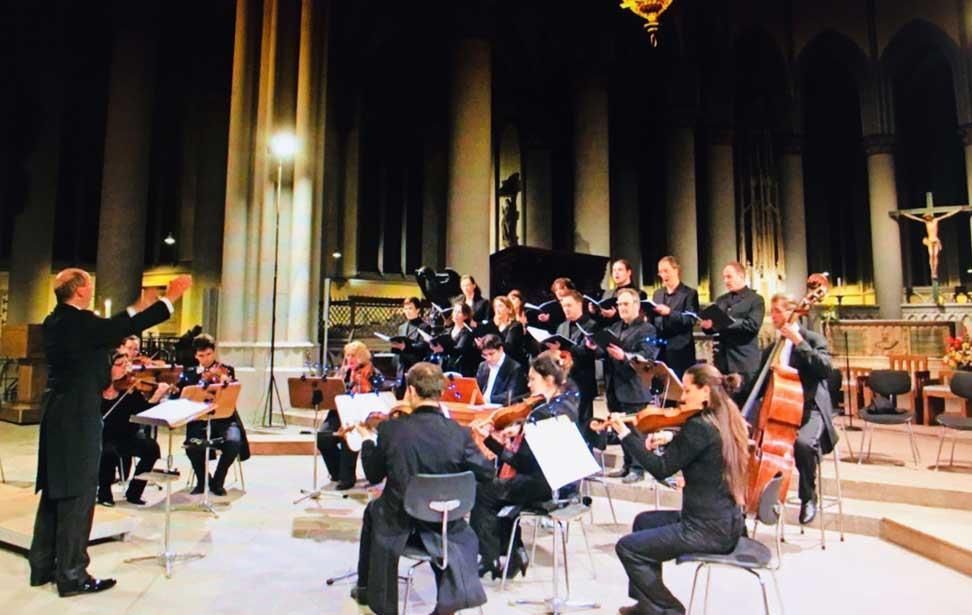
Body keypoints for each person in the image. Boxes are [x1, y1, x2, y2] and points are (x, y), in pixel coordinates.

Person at [29, 269, 190, 597]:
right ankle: (72, 575)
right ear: (79, 291)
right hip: (78, 415)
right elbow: (120, 328)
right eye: (88, 283)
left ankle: (43, 566)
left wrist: (135, 307)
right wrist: (168, 299)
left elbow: (107, 329)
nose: (91, 288)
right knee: (78, 492)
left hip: (57, 413)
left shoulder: (56, 321)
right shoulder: (79, 322)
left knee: (55, 489)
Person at [607, 364, 749, 615]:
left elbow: (661, 468)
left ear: (705, 391)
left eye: (686, 390)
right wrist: (673, 438)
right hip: (727, 523)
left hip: (705, 529)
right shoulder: (725, 417)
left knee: (628, 547)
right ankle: (648, 604)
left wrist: (625, 435)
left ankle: (669, 608)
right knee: (643, 522)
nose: (681, 398)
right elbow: (703, 446)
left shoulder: (700, 426)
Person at [353, 362, 493, 615]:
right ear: (440, 393)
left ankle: (367, 590)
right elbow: (485, 472)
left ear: (412, 392)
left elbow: (373, 475)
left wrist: (366, 443)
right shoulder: (458, 433)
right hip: (445, 523)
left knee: (373, 510)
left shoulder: (392, 429)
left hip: (400, 523)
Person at [470, 353, 580, 580]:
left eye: (532, 379)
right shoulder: (568, 403)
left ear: (548, 380)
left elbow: (521, 463)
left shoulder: (542, 414)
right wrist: (518, 431)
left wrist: (491, 440)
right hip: (564, 482)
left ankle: (491, 557)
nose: (528, 385)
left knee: (484, 491)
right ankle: (514, 552)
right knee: (503, 492)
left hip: (545, 485)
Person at [764, 294, 839, 525]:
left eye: (777, 311)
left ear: (792, 312)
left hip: (810, 408)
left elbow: (825, 369)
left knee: (803, 445)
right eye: (772, 311)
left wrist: (799, 342)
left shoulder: (812, 339)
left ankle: (808, 497)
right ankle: (765, 497)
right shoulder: (773, 348)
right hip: (780, 410)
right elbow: (757, 382)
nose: (773, 316)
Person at [592, 288, 660, 483]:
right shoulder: (614, 327)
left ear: (636, 306)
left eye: (626, 304)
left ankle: (638, 468)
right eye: (619, 304)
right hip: (614, 386)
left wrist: (625, 357)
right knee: (619, 426)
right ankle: (627, 465)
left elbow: (647, 357)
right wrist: (596, 347)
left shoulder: (647, 329)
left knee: (635, 431)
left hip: (634, 386)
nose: (621, 308)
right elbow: (604, 351)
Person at [181, 334, 251, 496]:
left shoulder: (226, 370)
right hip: (200, 421)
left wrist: (225, 380)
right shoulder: (190, 374)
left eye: (208, 355)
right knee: (191, 446)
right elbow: (183, 396)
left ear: (213, 352)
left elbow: (232, 392)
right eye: (201, 356)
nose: (205, 359)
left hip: (226, 419)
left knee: (233, 442)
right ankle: (203, 480)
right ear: (195, 355)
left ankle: (218, 481)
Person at [97, 352, 168, 506]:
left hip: (127, 436)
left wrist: (157, 395)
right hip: (103, 437)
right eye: (119, 365)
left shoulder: (129, 388)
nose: (125, 368)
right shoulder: (95, 391)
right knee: (108, 452)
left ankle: (134, 492)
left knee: (151, 448)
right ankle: (103, 492)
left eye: (125, 364)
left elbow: (144, 412)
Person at [317, 341, 385, 490]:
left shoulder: (374, 374)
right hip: (337, 412)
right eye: (347, 355)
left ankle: (347, 478)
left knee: (350, 435)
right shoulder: (343, 372)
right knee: (323, 437)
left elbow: (376, 398)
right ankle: (336, 472)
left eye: (353, 355)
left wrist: (363, 386)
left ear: (362, 356)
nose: (349, 359)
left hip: (360, 414)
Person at [700, 262, 765, 405]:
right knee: (721, 405)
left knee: (743, 406)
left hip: (743, 362)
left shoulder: (755, 300)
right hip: (722, 361)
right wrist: (707, 326)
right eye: (724, 277)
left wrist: (725, 322)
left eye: (729, 277)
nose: (726, 281)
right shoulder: (722, 300)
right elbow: (714, 326)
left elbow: (752, 325)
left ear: (741, 276)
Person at [550, 290, 598, 442]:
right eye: (564, 306)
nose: (566, 309)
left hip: (582, 381)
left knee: (583, 423)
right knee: (565, 422)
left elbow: (587, 352)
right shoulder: (562, 327)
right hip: (564, 382)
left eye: (569, 305)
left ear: (580, 304)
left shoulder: (591, 326)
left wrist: (565, 348)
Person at [651, 256, 699, 378]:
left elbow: (691, 319)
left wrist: (670, 313)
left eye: (666, 271)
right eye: (660, 272)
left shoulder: (689, 293)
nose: (663, 275)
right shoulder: (658, 294)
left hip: (680, 349)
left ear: (676, 270)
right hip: (660, 349)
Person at [389, 297, 430, 397]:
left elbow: (423, 346)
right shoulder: (402, 327)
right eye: (405, 308)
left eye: (410, 308)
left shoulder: (424, 326)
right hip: (401, 366)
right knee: (400, 395)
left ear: (418, 310)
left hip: (415, 365)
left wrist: (405, 347)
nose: (407, 311)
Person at [590, 258, 647, 325]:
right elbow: (600, 320)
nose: (616, 273)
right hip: (606, 331)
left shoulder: (639, 294)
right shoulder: (607, 293)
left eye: (620, 270)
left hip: (627, 332)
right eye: (614, 270)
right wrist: (594, 312)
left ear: (629, 272)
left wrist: (614, 316)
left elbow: (638, 319)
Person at [430, 300, 479, 377]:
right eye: (455, 311)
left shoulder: (467, 332)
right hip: (445, 365)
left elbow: (460, 349)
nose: (455, 314)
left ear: (465, 316)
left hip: (459, 367)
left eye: (459, 312)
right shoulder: (448, 330)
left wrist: (443, 349)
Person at [475, 334, 527, 405]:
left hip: (500, 408)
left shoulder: (514, 368)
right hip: (481, 406)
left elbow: (511, 395)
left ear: (500, 349)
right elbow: (477, 389)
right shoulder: (483, 366)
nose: (488, 358)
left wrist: (488, 399)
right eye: (485, 355)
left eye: (491, 354)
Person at [490, 295, 527, 365]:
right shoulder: (492, 325)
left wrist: (494, 328)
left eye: (500, 306)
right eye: (495, 306)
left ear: (509, 309)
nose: (497, 309)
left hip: (512, 365)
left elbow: (509, 348)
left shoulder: (515, 326)